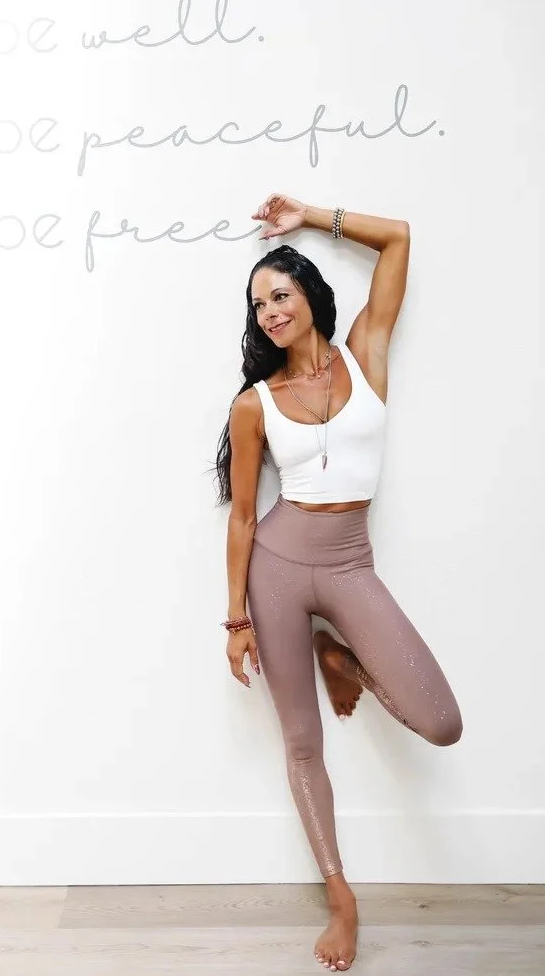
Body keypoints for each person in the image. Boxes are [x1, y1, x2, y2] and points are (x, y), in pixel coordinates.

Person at [213, 195, 463, 973]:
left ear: (309, 294)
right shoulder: (254, 404)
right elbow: (246, 520)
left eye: (279, 294)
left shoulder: (365, 351)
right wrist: (236, 619)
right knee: (301, 739)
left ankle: (339, 650)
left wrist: (310, 215)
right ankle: (342, 898)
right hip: (279, 571)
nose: (269, 313)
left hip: (351, 563)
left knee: (440, 718)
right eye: (257, 307)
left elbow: (399, 238)